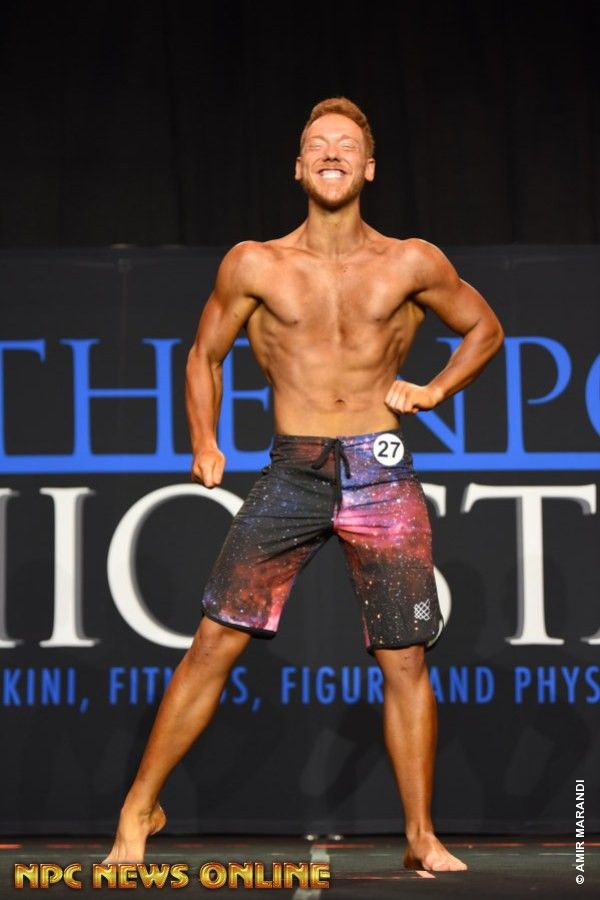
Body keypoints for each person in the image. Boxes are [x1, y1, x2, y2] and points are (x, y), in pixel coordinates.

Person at [104, 96, 504, 871]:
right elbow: (203, 354)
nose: (331, 153)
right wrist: (205, 439)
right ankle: (139, 806)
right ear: (297, 166)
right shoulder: (255, 263)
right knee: (214, 641)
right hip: (294, 469)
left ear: (369, 168)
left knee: (405, 657)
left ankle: (421, 836)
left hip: (381, 469)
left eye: (346, 145)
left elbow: (485, 328)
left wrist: (435, 390)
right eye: (317, 143)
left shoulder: (411, 261)